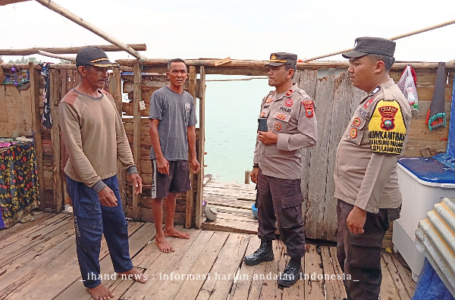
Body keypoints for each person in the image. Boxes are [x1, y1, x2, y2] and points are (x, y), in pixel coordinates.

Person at [59, 46, 147, 300]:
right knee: (89, 233)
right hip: (84, 182)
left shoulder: (107, 98)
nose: (105, 73)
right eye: (99, 69)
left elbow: (120, 136)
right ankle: (92, 281)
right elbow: (75, 153)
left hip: (109, 177)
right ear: (82, 70)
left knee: (117, 224)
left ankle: (124, 266)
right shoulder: (70, 104)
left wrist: (131, 168)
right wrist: (97, 186)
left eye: (106, 69)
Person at [334, 37, 412, 300]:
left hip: (365, 204)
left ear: (378, 66)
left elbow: (383, 160)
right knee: (348, 260)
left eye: (357, 63)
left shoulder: (388, 102)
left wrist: (361, 208)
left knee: (361, 272)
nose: (350, 69)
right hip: (353, 198)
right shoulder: (373, 98)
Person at [244, 52, 317, 287]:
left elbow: (309, 137)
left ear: (290, 72)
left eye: (275, 68)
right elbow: (260, 136)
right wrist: (255, 164)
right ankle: (265, 248)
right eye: (269, 68)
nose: (270, 72)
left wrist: (278, 139)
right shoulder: (268, 98)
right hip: (265, 169)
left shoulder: (301, 101)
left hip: (285, 172)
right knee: (264, 212)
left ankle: (295, 261)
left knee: (290, 219)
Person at [148, 58, 200, 253]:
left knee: (173, 193)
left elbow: (191, 129)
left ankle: (169, 228)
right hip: (164, 155)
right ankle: (159, 235)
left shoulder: (188, 99)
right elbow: (153, 127)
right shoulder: (159, 95)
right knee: (159, 195)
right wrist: (160, 157)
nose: (179, 75)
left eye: (182, 71)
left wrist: (193, 157)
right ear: (167, 74)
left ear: (187, 75)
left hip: (180, 155)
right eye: (175, 71)